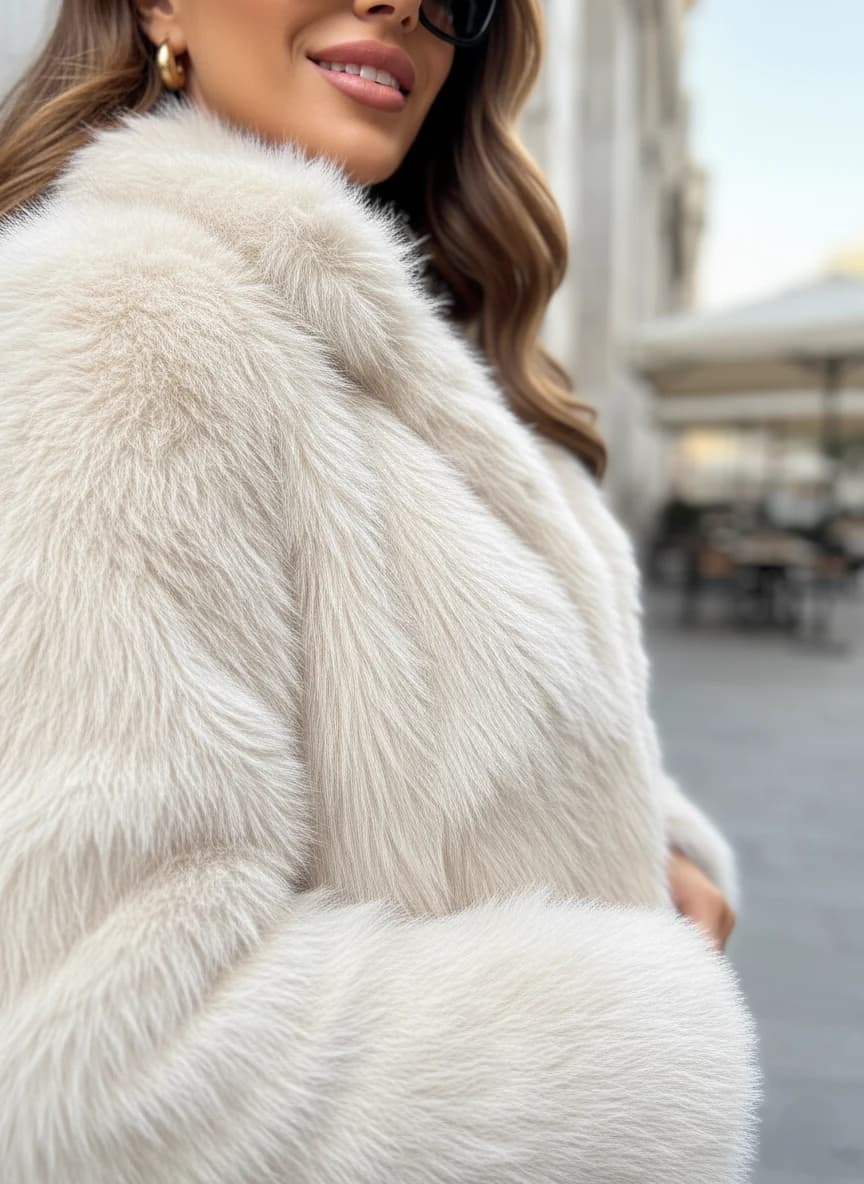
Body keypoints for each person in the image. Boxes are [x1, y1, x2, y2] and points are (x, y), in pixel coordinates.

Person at [0, 2, 756, 1181]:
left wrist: (653, 849)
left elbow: (492, 724)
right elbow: (99, 1068)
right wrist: (651, 1026)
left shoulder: (439, 354)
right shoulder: (124, 322)